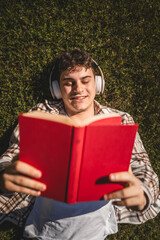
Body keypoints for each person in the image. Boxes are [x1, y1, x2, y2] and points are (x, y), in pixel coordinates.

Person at [0, 49, 159, 240]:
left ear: (98, 84)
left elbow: (145, 170)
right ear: (57, 89)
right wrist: (4, 178)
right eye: (69, 83)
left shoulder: (120, 120)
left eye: (85, 80)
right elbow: (11, 156)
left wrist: (142, 195)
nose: (78, 89)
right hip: (42, 231)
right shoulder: (40, 115)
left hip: (95, 231)